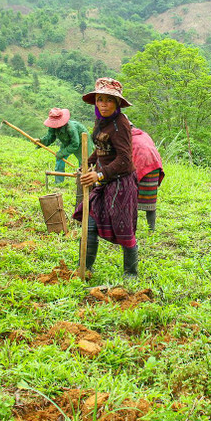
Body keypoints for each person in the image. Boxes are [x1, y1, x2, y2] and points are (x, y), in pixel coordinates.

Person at [73, 78, 139, 277]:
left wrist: (98, 175)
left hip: (120, 184)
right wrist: (87, 164)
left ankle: (131, 274)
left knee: (124, 229)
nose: (104, 104)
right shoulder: (101, 120)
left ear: (117, 103)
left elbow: (125, 160)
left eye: (109, 100)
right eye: (100, 99)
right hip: (102, 181)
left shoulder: (120, 124)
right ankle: (85, 268)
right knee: (90, 223)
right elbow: (101, 149)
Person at [38, 108, 87, 184]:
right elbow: (50, 137)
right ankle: (59, 182)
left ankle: (82, 183)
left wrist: (62, 152)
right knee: (60, 159)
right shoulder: (52, 127)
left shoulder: (71, 129)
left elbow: (75, 144)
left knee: (84, 163)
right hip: (66, 142)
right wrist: (40, 141)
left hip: (81, 142)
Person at [131, 126, 164, 231]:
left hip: (144, 165)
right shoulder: (144, 134)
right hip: (154, 165)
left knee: (130, 200)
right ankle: (151, 229)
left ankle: (132, 230)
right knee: (150, 201)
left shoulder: (127, 137)